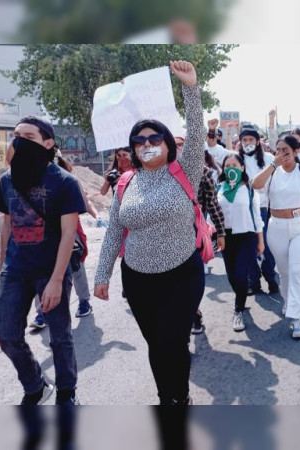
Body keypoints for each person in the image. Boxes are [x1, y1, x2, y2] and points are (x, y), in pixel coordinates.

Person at [94, 60, 206, 405]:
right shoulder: (127, 181)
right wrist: (102, 274)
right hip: (139, 279)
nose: (146, 144)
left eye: (154, 137)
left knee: (173, 341)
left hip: (181, 274)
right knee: (156, 344)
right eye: (138, 140)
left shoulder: (184, 170)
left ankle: (180, 395)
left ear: (168, 143)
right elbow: (114, 229)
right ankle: (166, 397)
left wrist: (191, 88)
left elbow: (198, 132)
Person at [0, 116, 87, 405]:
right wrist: (2, 269)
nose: (18, 141)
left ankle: (66, 392)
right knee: (7, 336)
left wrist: (57, 280)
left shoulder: (65, 182)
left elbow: (69, 233)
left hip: (51, 269)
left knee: (59, 337)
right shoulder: (6, 180)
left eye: (28, 137)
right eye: (16, 135)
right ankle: (35, 386)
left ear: (47, 143)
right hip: (15, 271)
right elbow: (6, 225)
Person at [252, 121, 300, 339]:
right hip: (277, 228)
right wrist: (273, 165)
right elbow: (256, 185)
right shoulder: (272, 171)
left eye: (286, 150)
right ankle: (288, 301)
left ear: (296, 152)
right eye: (278, 150)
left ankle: (297, 318)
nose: (282, 154)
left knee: (297, 271)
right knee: (284, 272)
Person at [213, 111, 280, 296]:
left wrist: (272, 123)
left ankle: (271, 278)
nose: (248, 143)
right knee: (249, 252)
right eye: (245, 140)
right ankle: (255, 281)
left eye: (251, 139)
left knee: (264, 246)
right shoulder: (237, 158)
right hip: (240, 213)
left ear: (258, 141)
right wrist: (222, 132)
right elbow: (218, 151)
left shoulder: (267, 158)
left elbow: (277, 150)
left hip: (262, 210)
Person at [29, 154, 99, 330]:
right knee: (41, 274)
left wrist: (96, 216)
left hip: (70, 233)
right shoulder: (31, 182)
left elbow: (85, 201)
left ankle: (84, 301)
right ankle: (42, 312)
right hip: (42, 237)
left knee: (76, 268)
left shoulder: (68, 181)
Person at [175, 136, 226, 335]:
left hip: (194, 236)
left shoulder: (203, 173)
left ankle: (192, 312)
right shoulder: (159, 175)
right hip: (166, 239)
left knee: (192, 281)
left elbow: (213, 204)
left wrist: (220, 232)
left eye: (182, 145)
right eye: (175, 145)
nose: (179, 149)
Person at [216, 153, 264, 332]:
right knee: (231, 276)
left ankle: (238, 310)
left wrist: (261, 241)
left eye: (235, 165)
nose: (231, 168)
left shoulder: (249, 189)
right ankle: (241, 298)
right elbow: (214, 215)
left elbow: (257, 218)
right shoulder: (218, 188)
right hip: (225, 237)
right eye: (227, 165)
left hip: (246, 236)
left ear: (242, 168)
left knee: (241, 275)